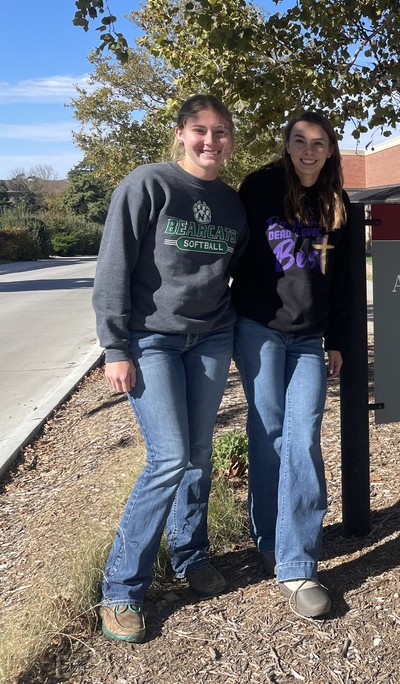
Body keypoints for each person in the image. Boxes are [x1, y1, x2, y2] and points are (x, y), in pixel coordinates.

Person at [93, 94, 248, 643]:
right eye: (200, 130)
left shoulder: (231, 203)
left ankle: (191, 555)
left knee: (200, 454)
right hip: (151, 340)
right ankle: (120, 591)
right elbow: (113, 265)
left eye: (221, 131)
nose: (212, 141)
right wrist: (115, 347)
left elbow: (242, 270)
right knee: (169, 457)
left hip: (213, 337)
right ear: (181, 133)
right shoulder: (147, 184)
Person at [230, 110, 352, 619]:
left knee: (302, 439)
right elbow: (230, 257)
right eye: (299, 141)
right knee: (269, 436)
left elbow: (343, 280)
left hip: (308, 340)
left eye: (318, 143)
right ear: (287, 145)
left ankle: (298, 565)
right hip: (258, 330)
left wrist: (339, 340)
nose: (308, 150)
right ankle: (269, 536)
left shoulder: (338, 202)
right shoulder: (258, 188)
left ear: (329, 151)